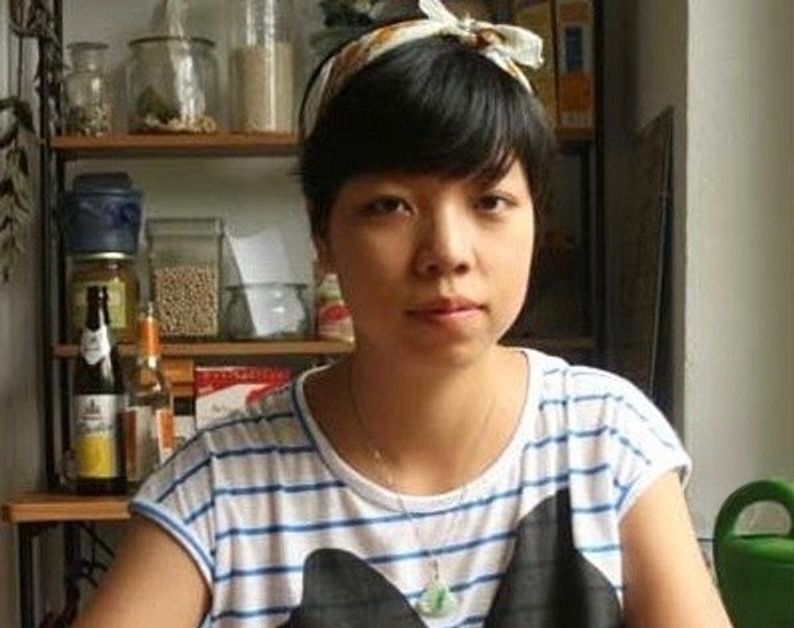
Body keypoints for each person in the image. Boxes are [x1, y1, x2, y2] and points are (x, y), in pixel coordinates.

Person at [74, 1, 732, 626]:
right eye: (390, 205)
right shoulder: (220, 487)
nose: (446, 253)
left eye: (491, 202)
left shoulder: (607, 441)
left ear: (539, 216)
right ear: (322, 236)